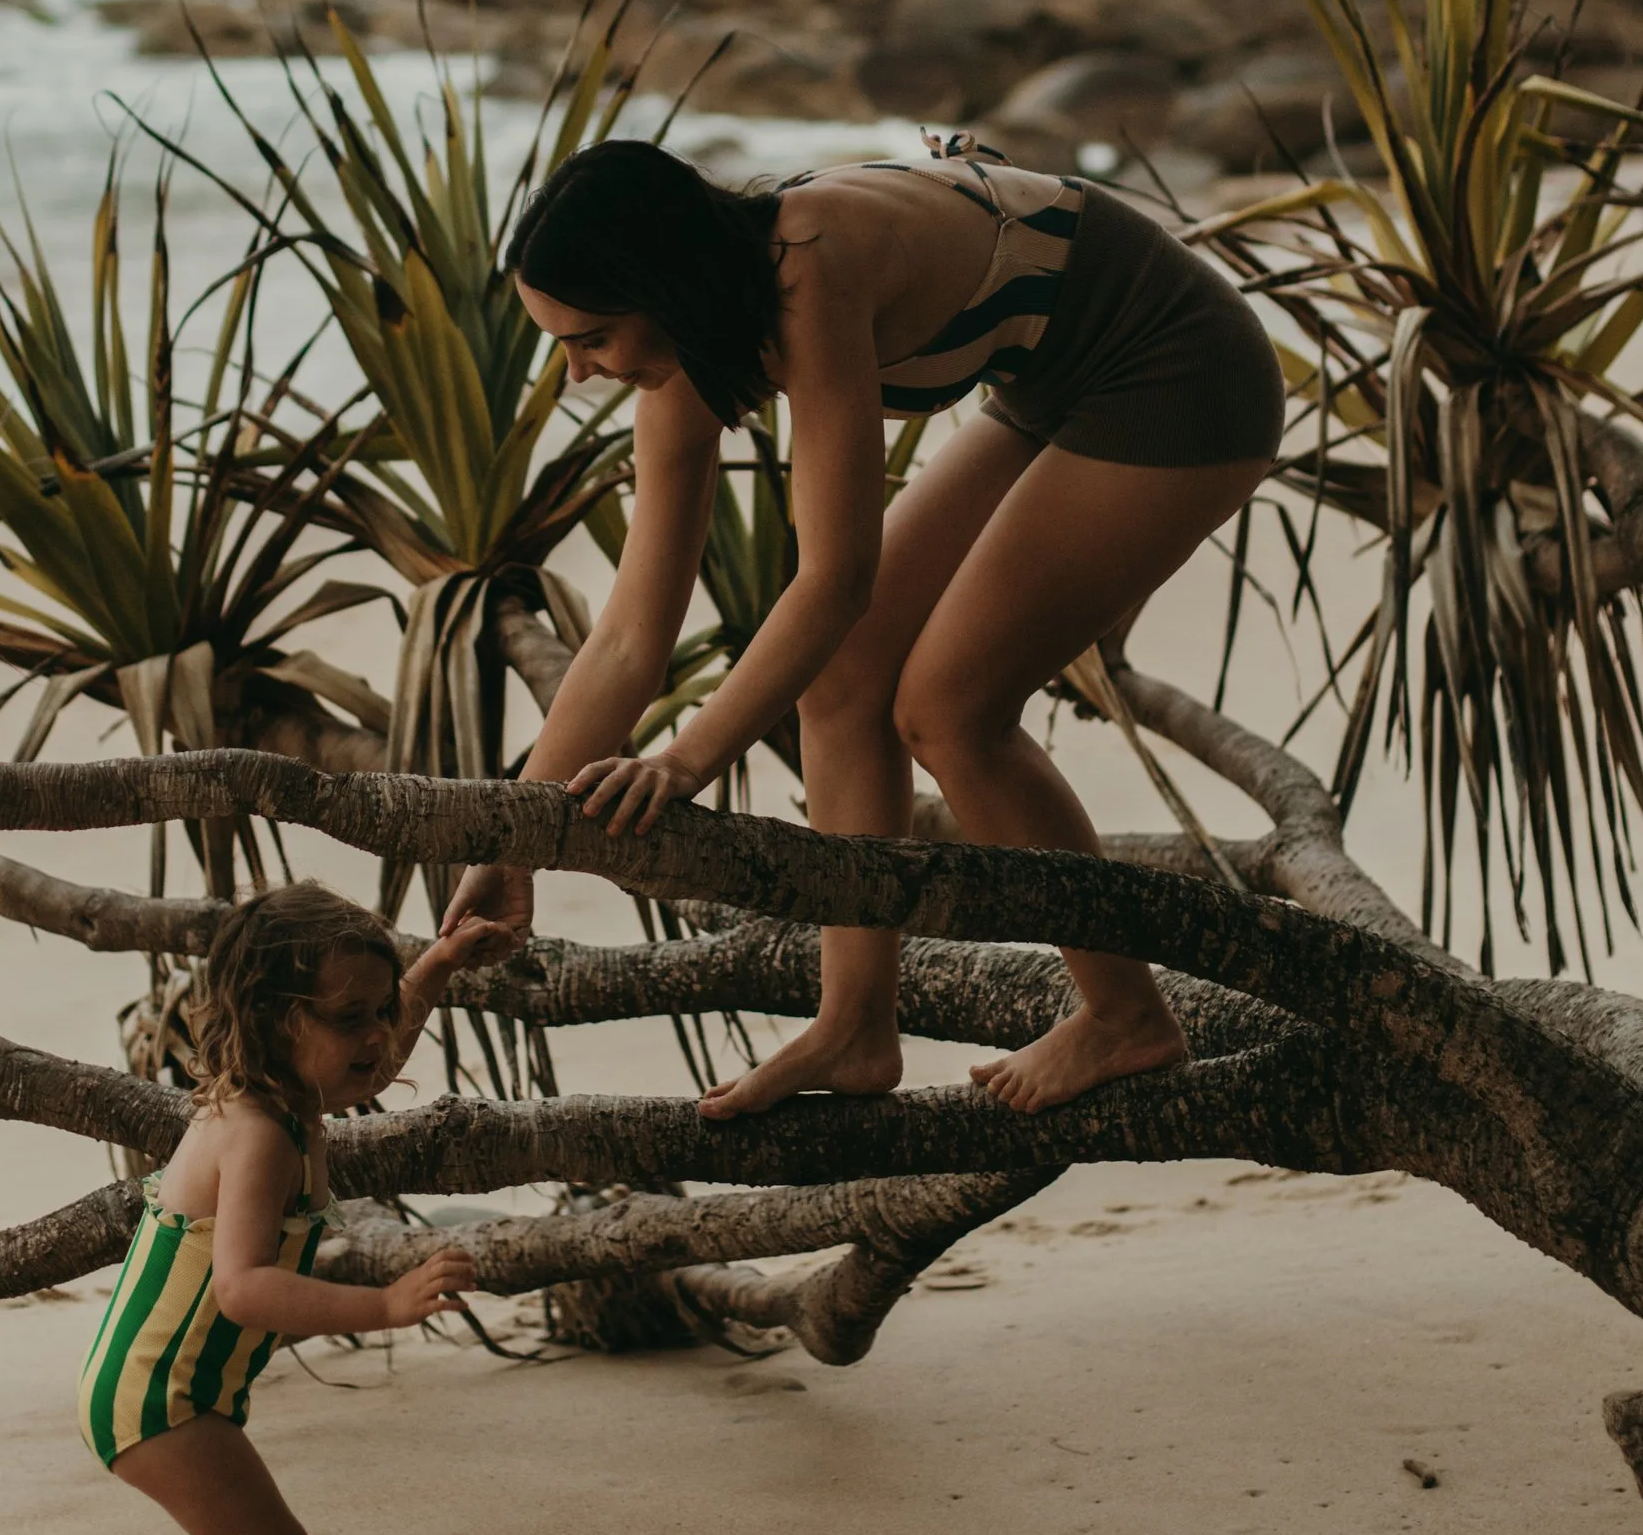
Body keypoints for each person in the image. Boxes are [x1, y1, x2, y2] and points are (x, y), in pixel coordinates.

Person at [446, 135, 1282, 1114]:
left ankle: (1125, 1015)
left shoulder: (809, 266)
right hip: (1048, 388)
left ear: (661, 286)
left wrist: (683, 759)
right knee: (842, 681)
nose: (577, 373)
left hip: (1179, 367)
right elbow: (630, 638)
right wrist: (511, 847)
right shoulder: (684, 358)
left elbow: (836, 578)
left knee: (949, 710)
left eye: (588, 338)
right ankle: (854, 1027)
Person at [78, 881, 517, 1535]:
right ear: (277, 1022)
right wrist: (386, 1305)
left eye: (383, 1010)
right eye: (351, 1017)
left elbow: (376, 1053)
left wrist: (437, 966)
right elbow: (242, 1287)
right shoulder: (258, 1136)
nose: (378, 1037)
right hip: (163, 1398)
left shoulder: (289, 1096)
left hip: (159, 1391)